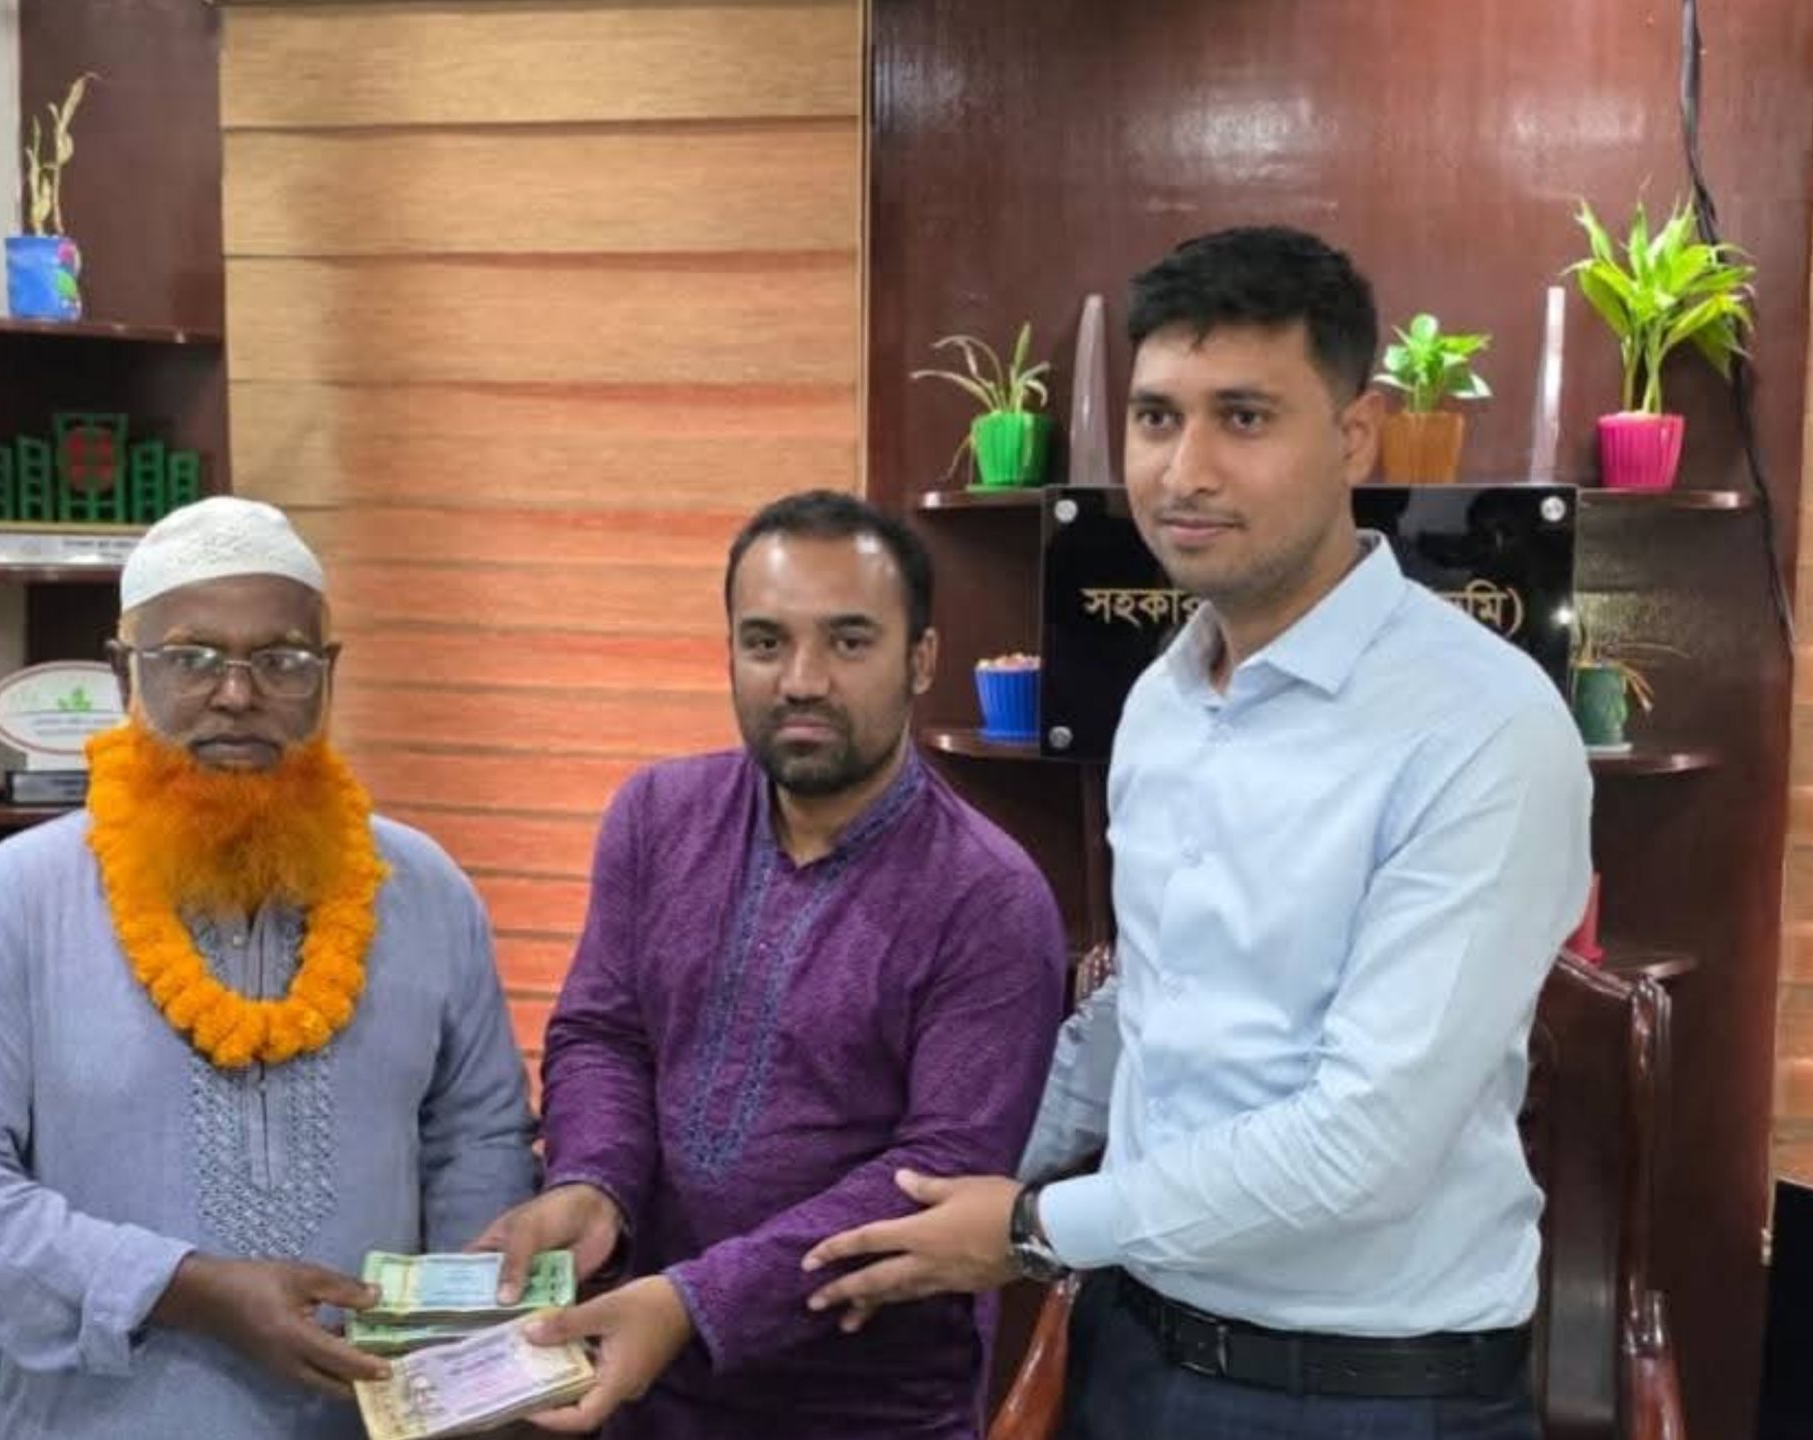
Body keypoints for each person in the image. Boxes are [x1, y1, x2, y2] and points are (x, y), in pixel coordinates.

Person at [799, 227, 1594, 1440]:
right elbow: (1150, 1002)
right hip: (1132, 1345)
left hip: (1366, 1394)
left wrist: (1030, 1230)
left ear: (1356, 436)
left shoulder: (1481, 726)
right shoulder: (1165, 701)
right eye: (1156, 418)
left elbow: (1363, 1146)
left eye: (1244, 418)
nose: (1185, 471)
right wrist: (965, 1164)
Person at [0, 496, 538, 1440]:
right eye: (189, 658)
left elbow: (480, 1141)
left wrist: (462, 1359)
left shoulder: (424, 891)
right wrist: (184, 1289)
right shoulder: (12, 901)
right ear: (124, 673)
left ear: (328, 675)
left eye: (282, 660)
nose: (236, 694)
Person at [470, 491, 1070, 1438]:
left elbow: (936, 1178)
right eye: (765, 642)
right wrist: (593, 1181)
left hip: (869, 1414)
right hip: (643, 1392)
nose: (802, 679)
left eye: (849, 641)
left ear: (921, 659)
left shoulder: (989, 898)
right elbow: (605, 1034)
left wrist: (691, 1304)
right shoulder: (657, 816)